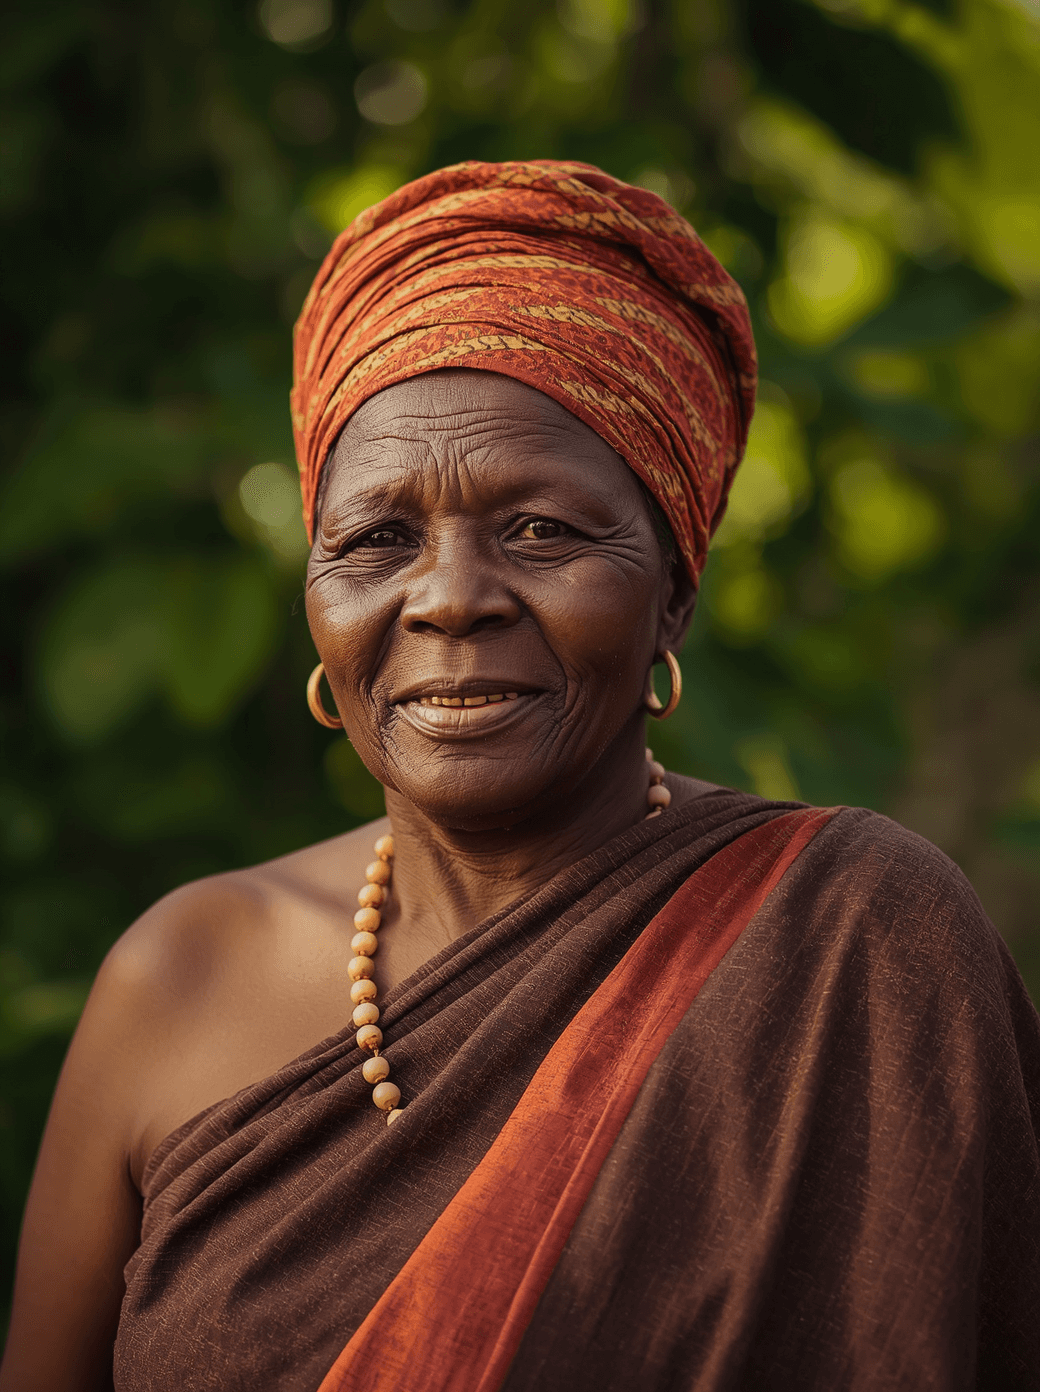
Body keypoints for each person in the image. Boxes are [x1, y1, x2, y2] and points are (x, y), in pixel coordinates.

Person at [2, 160, 1038, 1392]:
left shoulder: (852, 941)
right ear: (317, 608)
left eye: (540, 530)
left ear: (672, 596)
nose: (447, 599)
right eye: (378, 540)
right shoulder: (179, 975)